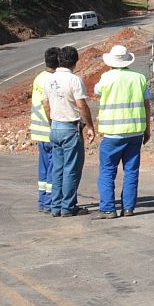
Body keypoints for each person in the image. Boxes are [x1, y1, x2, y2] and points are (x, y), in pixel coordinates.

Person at [93, 44, 152, 219]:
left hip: (112, 133)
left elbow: (96, 92)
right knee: (131, 170)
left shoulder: (106, 77)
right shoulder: (139, 78)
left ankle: (108, 209)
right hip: (135, 132)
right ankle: (128, 208)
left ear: (111, 61)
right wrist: (147, 129)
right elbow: (147, 104)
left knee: (107, 171)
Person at [43, 46, 95, 217]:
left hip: (55, 126)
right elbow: (81, 105)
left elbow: (46, 105)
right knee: (72, 168)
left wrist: (52, 122)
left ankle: (55, 206)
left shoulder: (49, 80)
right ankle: (68, 206)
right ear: (75, 61)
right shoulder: (74, 80)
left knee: (57, 168)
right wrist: (90, 126)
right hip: (70, 127)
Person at [29, 47, 59, 213]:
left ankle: (43, 200)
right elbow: (48, 106)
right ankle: (49, 202)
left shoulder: (39, 77)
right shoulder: (53, 80)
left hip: (38, 129)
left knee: (44, 167)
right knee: (53, 168)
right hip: (49, 129)